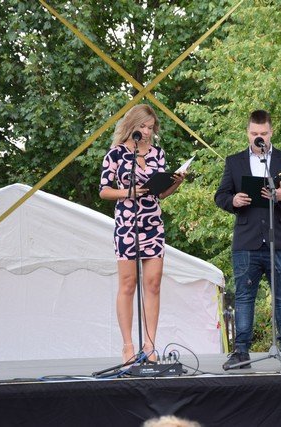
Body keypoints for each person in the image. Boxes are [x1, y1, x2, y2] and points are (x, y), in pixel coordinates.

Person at [214, 109, 281, 370]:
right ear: (247, 133)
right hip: (246, 241)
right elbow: (220, 196)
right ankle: (241, 351)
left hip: (280, 240)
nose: (260, 138)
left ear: (271, 133)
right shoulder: (234, 162)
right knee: (245, 296)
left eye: (264, 134)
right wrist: (233, 201)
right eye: (255, 133)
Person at [99, 104, 185, 364]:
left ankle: (149, 345)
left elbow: (160, 193)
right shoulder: (115, 154)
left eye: (150, 127)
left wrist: (176, 183)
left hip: (153, 223)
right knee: (128, 284)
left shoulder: (158, 153)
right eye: (143, 127)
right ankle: (128, 346)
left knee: (153, 284)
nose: (147, 132)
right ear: (132, 126)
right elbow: (104, 190)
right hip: (127, 224)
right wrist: (129, 193)